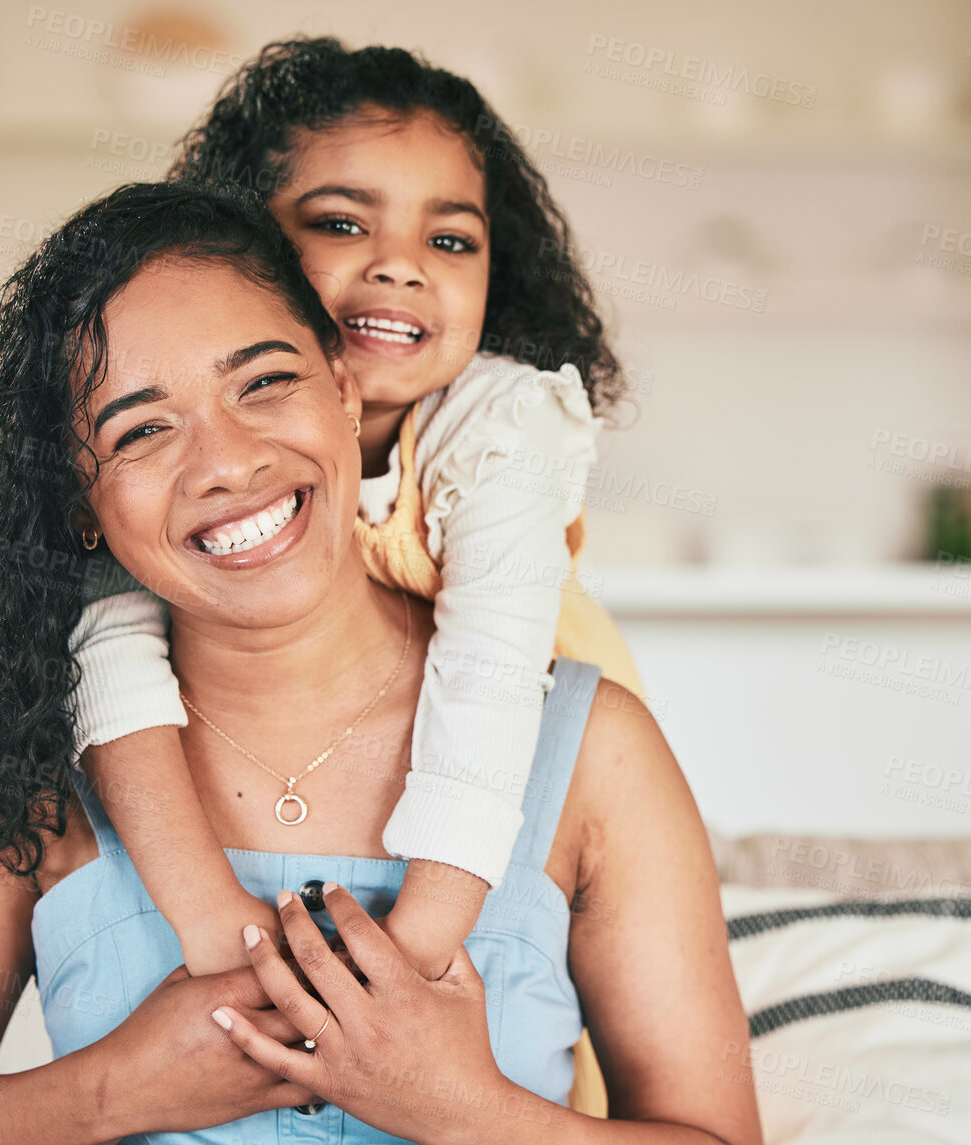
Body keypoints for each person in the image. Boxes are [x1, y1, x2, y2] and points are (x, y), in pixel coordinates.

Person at [0, 181, 760, 1145]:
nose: (227, 462)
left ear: (344, 383)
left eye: (265, 382)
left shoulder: (592, 752)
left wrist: (462, 1108)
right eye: (142, 429)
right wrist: (118, 1088)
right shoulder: (26, 743)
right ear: (81, 501)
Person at [68, 38, 642, 994]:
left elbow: (491, 682)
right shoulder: (180, 465)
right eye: (342, 223)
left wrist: (400, 970)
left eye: (449, 240)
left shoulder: (501, 425)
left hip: (512, 738)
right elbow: (111, 641)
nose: (401, 267)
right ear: (243, 239)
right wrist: (216, 925)